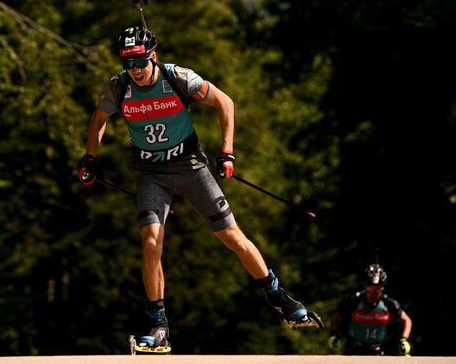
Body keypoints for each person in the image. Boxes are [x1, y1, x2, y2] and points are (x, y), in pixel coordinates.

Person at [79, 25, 317, 348]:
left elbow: (226, 103)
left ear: (152, 55)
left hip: (191, 168)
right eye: (127, 63)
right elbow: (98, 118)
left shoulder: (177, 77)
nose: (134, 70)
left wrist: (227, 151)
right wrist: (90, 158)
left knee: (232, 236)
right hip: (151, 174)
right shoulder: (119, 88)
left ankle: (278, 296)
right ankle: (158, 325)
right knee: (150, 243)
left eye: (139, 61)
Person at [328, 263, 413, 356]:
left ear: (383, 286)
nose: (374, 291)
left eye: (378, 287)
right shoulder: (354, 301)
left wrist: (404, 339)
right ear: (364, 285)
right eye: (370, 287)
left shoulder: (390, 304)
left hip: (380, 348)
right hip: (354, 348)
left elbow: (406, 320)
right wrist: (334, 334)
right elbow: (336, 317)